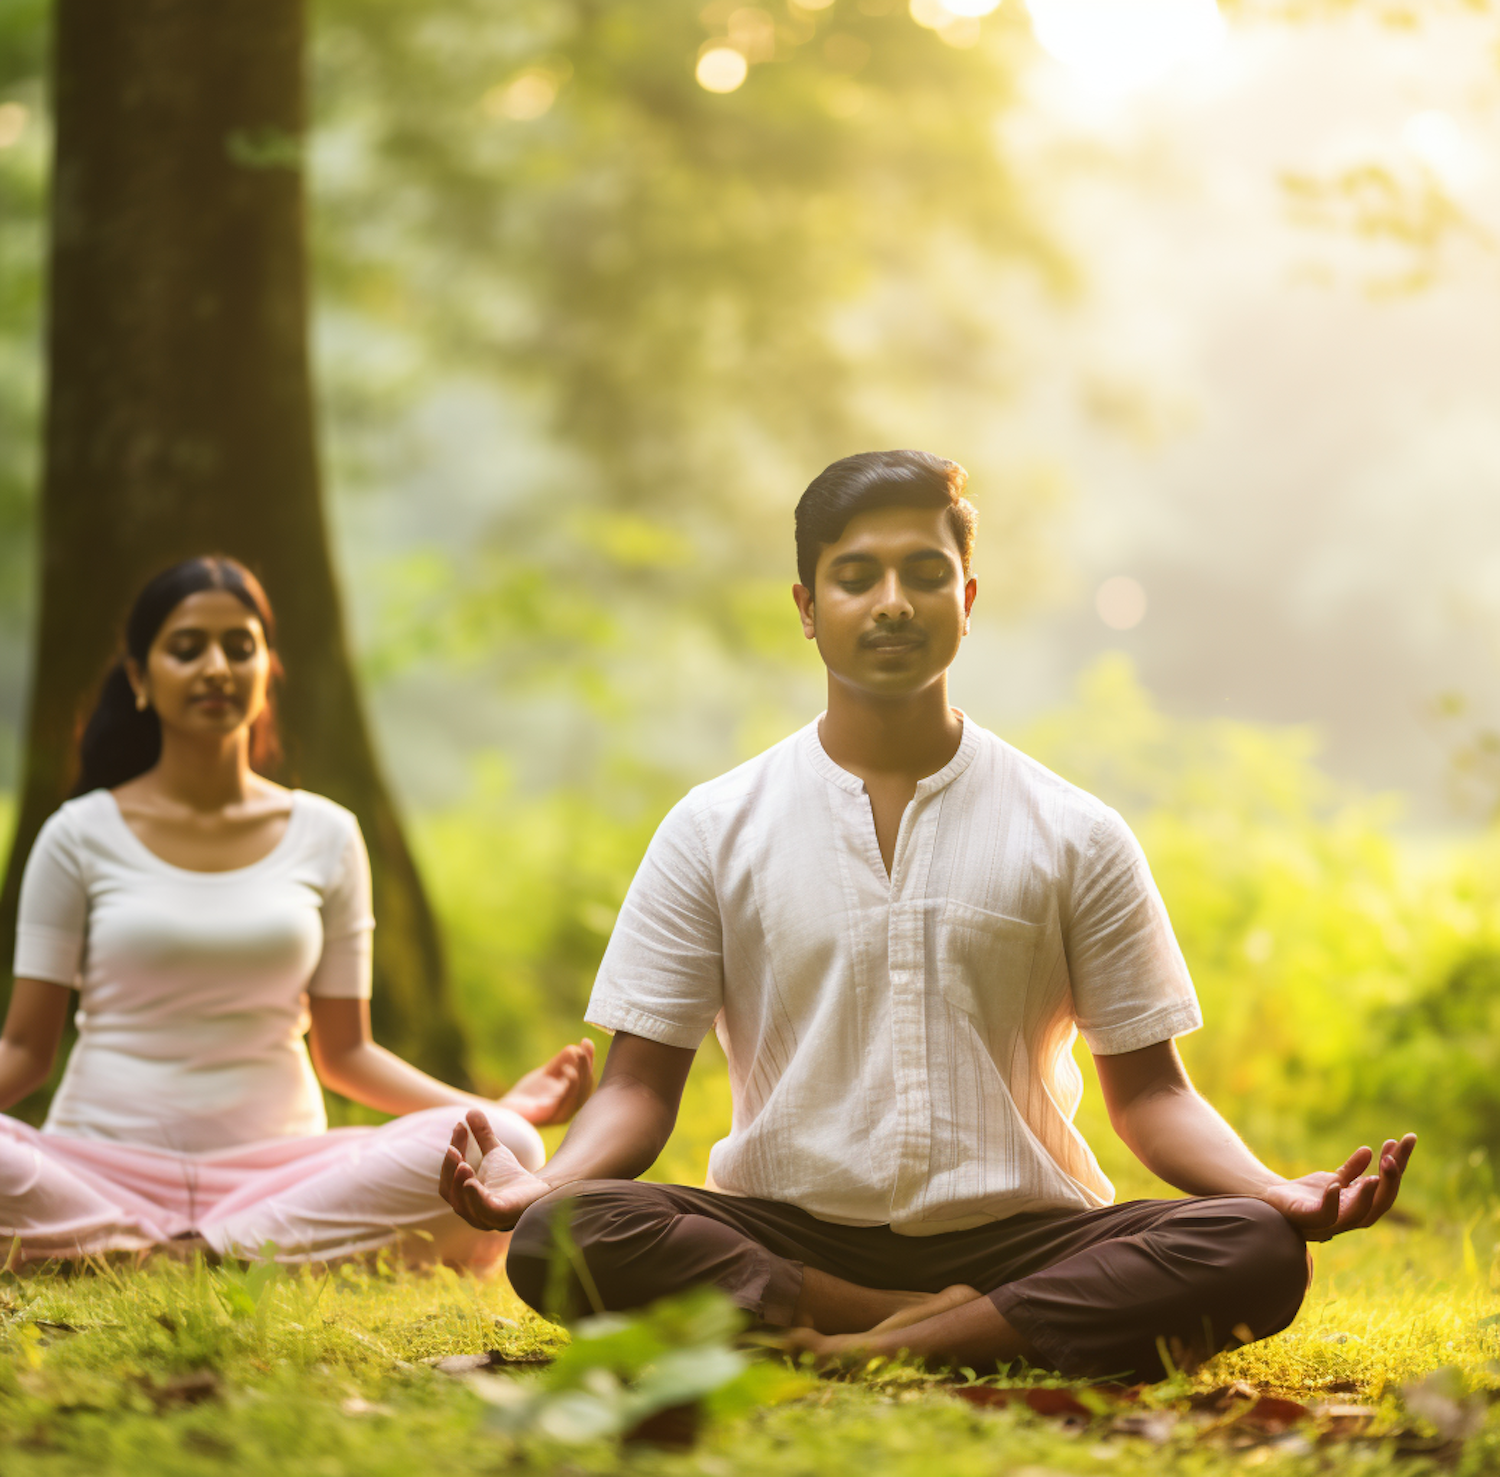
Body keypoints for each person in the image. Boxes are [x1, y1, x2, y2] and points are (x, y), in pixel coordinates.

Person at [439, 451, 1416, 1379]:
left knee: (1254, 1247)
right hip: (782, 1225)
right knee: (565, 1236)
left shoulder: (1076, 830)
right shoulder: (712, 826)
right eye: (856, 575)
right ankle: (921, 1330)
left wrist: (1276, 1192)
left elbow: (1152, 1097)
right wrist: (549, 1185)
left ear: (969, 599)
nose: (893, 602)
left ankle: (853, 1343)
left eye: (924, 572)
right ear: (807, 609)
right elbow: (638, 1091)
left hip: (1024, 1235)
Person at [0, 555, 594, 1267]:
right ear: (138, 677)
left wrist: (501, 1110)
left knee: (510, 1147)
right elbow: (26, 1051)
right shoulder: (77, 833)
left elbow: (346, 1053)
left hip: (281, 1177)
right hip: (95, 1168)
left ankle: (168, 1249)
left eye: (239, 646)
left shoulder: (328, 833)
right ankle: (178, 1245)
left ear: (267, 671)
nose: (216, 667)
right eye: (187, 648)